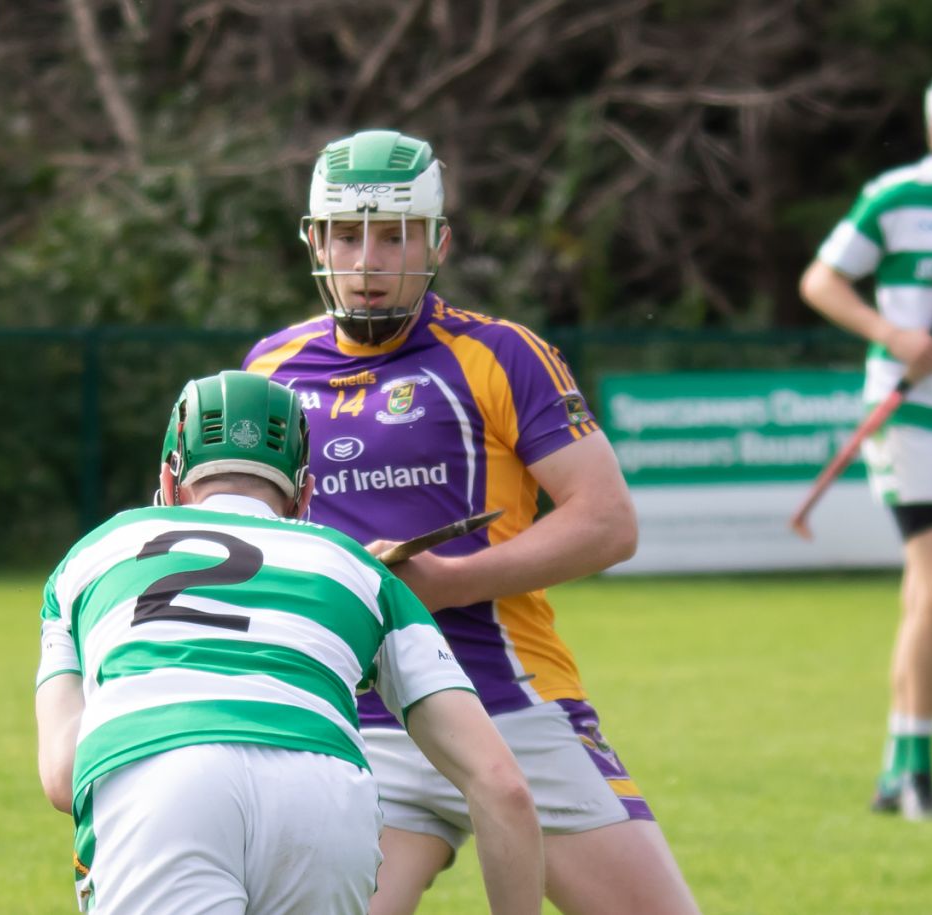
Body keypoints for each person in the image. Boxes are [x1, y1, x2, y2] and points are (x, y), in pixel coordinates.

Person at [243, 130, 700, 914]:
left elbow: (607, 522)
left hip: (511, 703)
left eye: (395, 235)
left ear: (439, 241)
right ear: (314, 240)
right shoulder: (268, 371)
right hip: (361, 725)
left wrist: (450, 583)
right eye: (347, 235)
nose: (368, 260)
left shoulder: (502, 354)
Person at [34, 370, 544, 915]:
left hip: (159, 777)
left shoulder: (92, 556)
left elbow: (63, 776)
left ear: (168, 479)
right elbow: (502, 787)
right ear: (303, 492)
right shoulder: (359, 570)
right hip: (322, 791)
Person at [799, 69, 932, 820]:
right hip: (907, 412)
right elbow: (822, 281)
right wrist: (894, 335)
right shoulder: (896, 197)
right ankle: (917, 772)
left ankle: (899, 767)